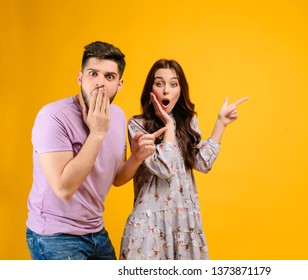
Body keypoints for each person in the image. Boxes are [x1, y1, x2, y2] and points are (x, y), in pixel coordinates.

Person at [26, 41, 165, 260]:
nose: (100, 83)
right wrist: (97, 133)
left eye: (109, 77)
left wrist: (136, 158)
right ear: (80, 78)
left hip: (96, 233)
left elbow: (116, 177)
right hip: (56, 236)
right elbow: (64, 189)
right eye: (93, 74)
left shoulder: (118, 116)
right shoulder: (52, 117)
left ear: (119, 84)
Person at [119, 59, 248, 260]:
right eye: (159, 83)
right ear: (150, 89)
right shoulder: (138, 125)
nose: (166, 91)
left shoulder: (188, 123)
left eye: (173, 84)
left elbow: (202, 163)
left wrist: (221, 123)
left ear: (181, 90)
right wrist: (168, 125)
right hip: (150, 227)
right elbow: (165, 167)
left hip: (184, 224)